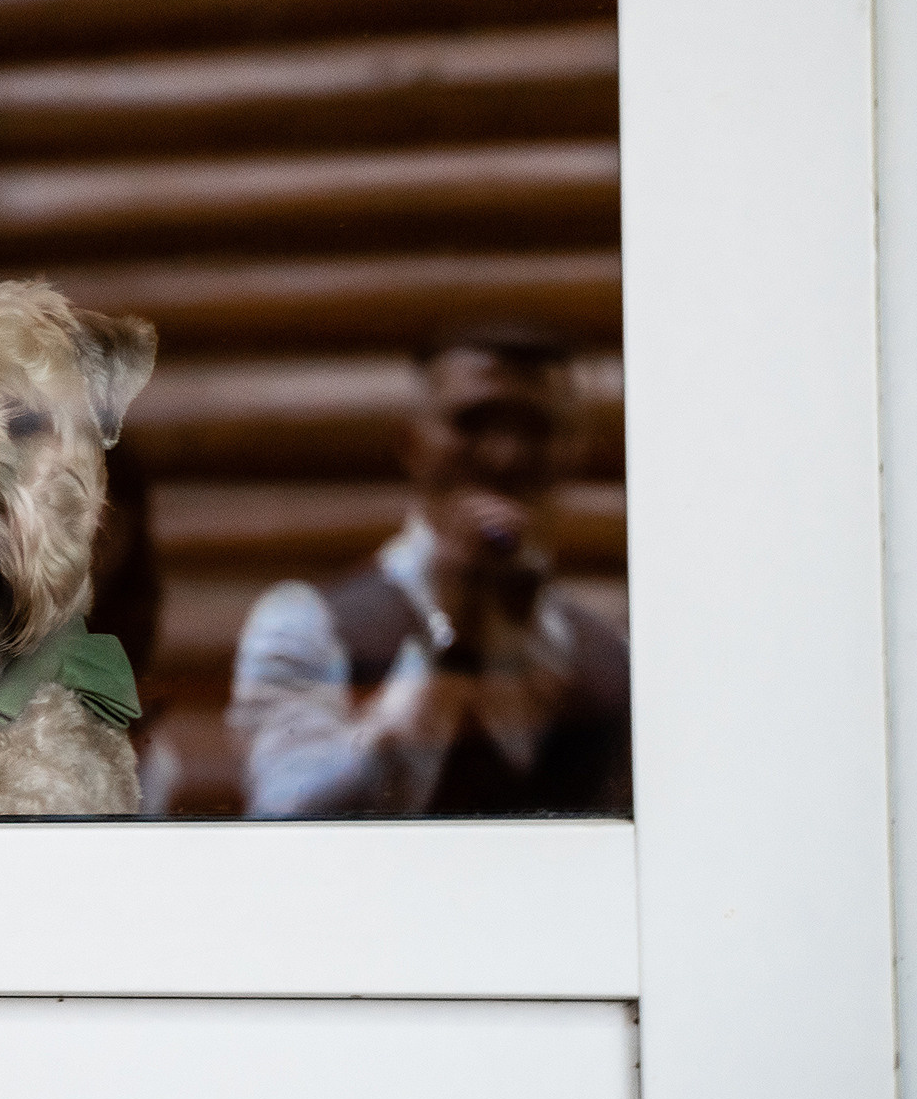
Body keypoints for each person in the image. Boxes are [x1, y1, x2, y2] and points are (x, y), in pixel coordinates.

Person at [227, 326, 630, 817]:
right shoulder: (305, 623)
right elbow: (284, 819)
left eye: (536, 427)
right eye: (473, 422)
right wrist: (449, 659)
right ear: (411, 442)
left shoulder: (611, 653)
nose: (506, 456)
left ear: (574, 451)